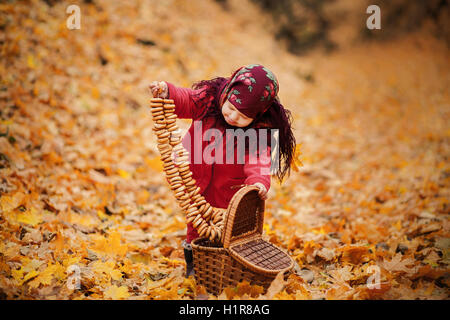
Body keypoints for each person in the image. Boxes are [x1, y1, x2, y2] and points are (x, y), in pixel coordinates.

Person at [149, 64, 296, 277]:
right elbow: (187, 99)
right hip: (196, 178)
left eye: (243, 116)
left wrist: (258, 182)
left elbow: (260, 160)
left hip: (230, 188)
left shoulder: (261, 129)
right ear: (227, 93)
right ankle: (194, 263)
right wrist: (167, 92)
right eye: (231, 108)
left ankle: (224, 265)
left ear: (256, 115)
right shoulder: (208, 100)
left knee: (227, 229)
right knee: (196, 223)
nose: (233, 117)